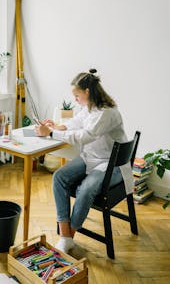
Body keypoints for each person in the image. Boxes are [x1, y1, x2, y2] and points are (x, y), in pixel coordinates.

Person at [35, 68, 133, 253]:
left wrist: (52, 133)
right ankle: (66, 236)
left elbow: (84, 136)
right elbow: (76, 122)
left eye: (77, 95)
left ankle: (68, 237)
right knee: (59, 177)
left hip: (112, 165)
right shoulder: (89, 107)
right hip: (92, 158)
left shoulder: (107, 113)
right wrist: (57, 126)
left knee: (85, 189)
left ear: (87, 92)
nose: (75, 99)